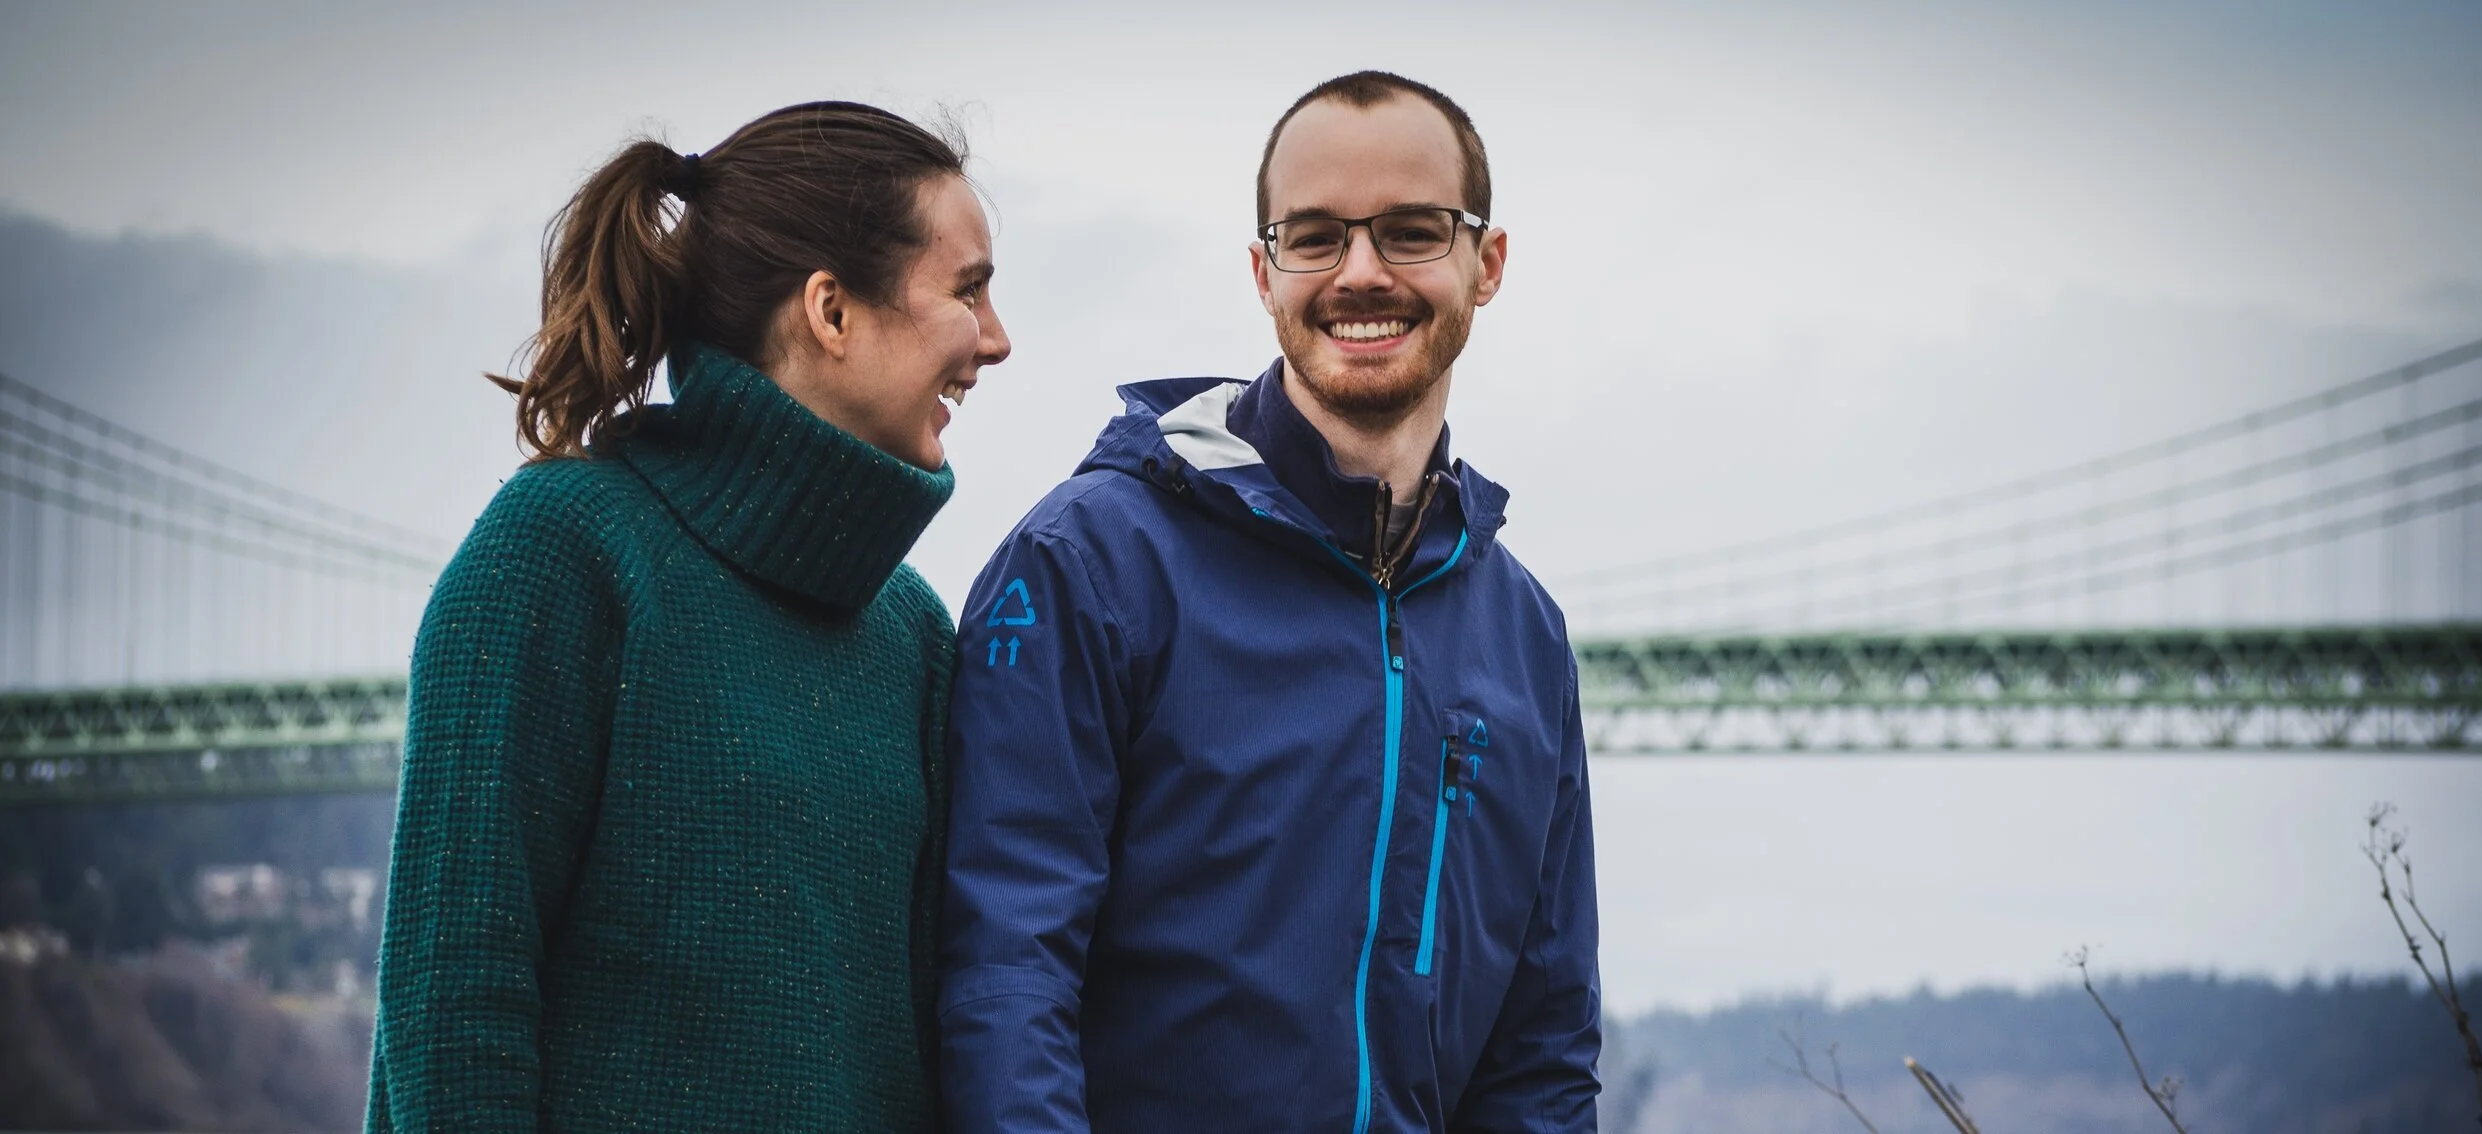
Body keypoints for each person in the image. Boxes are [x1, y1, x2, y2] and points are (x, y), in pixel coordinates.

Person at [939, 71, 1598, 1132]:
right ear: (1263, 272)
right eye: (1315, 237)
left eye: (1413, 232)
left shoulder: (1526, 637)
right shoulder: (1090, 563)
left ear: (1488, 264)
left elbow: (1542, 1057)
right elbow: (1007, 978)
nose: (1361, 274)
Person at [367, 101, 1010, 1132]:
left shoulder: (914, 636)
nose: (997, 339)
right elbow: (453, 1005)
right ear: (831, 311)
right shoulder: (560, 554)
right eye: (967, 291)